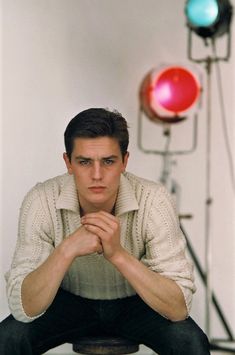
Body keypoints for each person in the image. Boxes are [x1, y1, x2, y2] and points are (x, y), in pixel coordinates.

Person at [0, 108, 210, 354]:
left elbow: (178, 308)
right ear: (68, 163)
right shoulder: (41, 200)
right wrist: (67, 249)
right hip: (68, 301)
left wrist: (118, 255)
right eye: (84, 162)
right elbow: (23, 308)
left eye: (108, 161)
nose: (97, 175)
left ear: (125, 161)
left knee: (190, 342)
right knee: (9, 338)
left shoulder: (154, 200)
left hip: (137, 304)